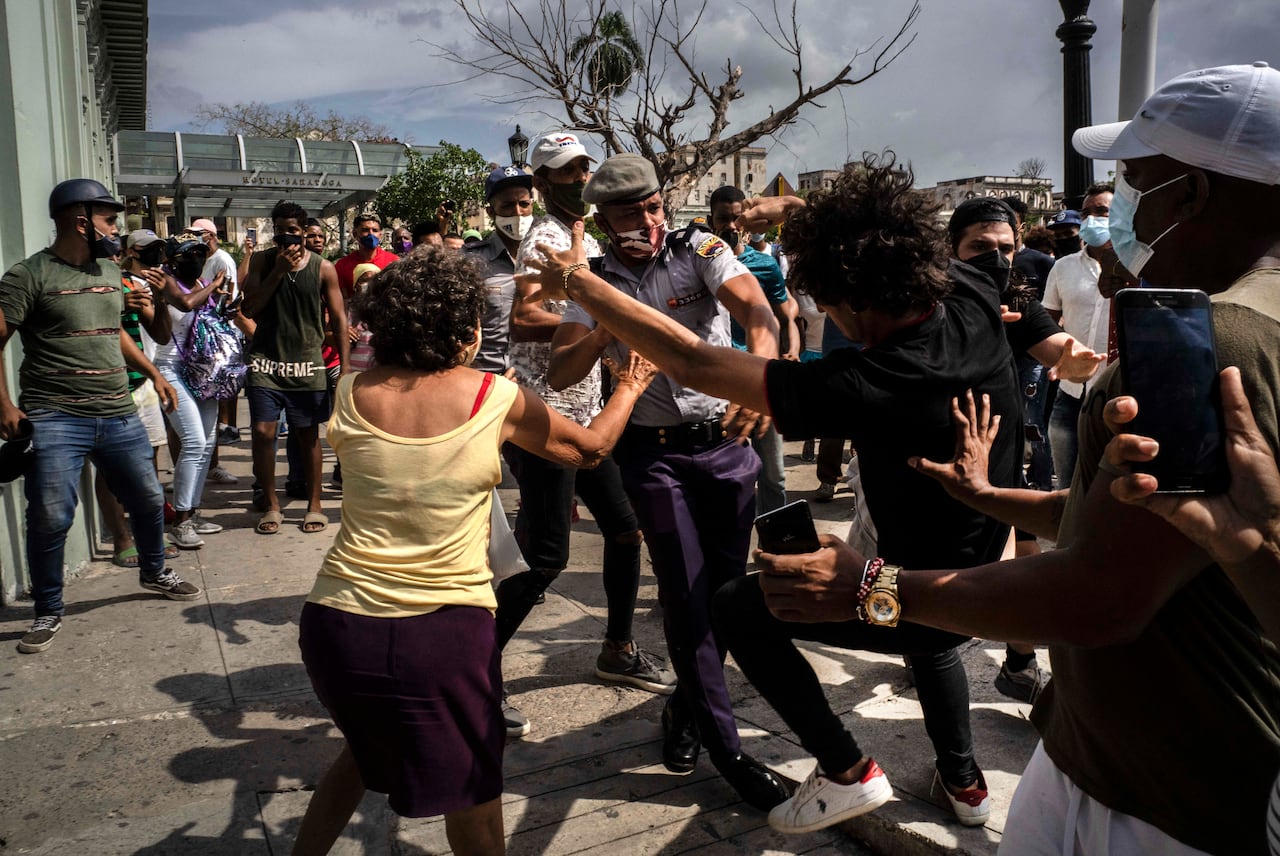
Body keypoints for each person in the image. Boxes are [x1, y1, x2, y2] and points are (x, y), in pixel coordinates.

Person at [758, 64, 1280, 855]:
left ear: (1193, 196)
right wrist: (991, 493)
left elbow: (1097, 595)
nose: (1120, 209)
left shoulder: (1211, 340)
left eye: (1136, 182)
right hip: (1103, 755)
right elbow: (1140, 530)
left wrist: (870, 588)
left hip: (1160, 794)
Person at [290, 247, 659, 856]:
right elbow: (589, 450)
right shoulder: (493, 396)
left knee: (362, 753)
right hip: (441, 633)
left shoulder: (350, 390)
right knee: (473, 792)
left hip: (337, 623)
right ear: (465, 330)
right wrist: (631, 385)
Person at [545, 152, 791, 811]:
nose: (649, 220)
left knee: (727, 594)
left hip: (726, 444)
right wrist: (604, 324)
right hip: (652, 457)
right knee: (685, 595)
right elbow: (562, 373)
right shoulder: (589, 275)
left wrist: (762, 380)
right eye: (632, 212)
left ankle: (686, 709)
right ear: (601, 219)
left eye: (655, 206)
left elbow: (761, 318)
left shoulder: (699, 248)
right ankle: (729, 751)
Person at [501, 136, 674, 739]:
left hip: (588, 410)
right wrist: (602, 318)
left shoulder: (591, 236)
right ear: (543, 182)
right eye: (566, 171)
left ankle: (618, 649)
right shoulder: (546, 237)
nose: (580, 176)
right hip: (545, 411)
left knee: (625, 531)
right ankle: (473, 671)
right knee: (546, 555)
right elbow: (523, 317)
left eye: (585, 166)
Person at [0, 179, 199, 654]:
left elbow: (115, 334)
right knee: (50, 516)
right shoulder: (28, 276)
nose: (117, 229)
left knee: (150, 500)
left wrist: (155, 373)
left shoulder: (110, 272)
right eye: (110, 220)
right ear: (81, 221)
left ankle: (154, 571)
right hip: (53, 417)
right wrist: (5, 405)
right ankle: (48, 608)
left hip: (117, 411)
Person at [241, 200, 348, 535]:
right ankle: (271, 503)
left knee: (307, 436)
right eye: (280, 230)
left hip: (306, 363)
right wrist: (278, 272)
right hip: (266, 362)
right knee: (263, 432)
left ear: (304, 232)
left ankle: (314, 504)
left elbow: (341, 320)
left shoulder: (323, 268)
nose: (286, 237)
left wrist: (344, 368)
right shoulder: (261, 261)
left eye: (293, 231)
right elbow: (251, 308)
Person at [710, 184, 799, 514]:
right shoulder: (695, 265)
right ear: (711, 220)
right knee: (728, 475)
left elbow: (783, 313)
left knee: (773, 476)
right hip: (719, 387)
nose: (732, 227)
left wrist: (790, 350)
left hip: (762, 382)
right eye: (723, 219)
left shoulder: (764, 265)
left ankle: (776, 551)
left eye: (738, 219)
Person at [94, 229, 180, 567]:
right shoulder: (98, 285)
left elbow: (160, 333)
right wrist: (113, 305)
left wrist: (159, 298)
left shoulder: (134, 286)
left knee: (147, 465)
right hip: (105, 389)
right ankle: (122, 538)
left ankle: (151, 532)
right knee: (109, 468)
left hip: (140, 385)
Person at [152, 233, 231, 549]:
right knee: (195, 440)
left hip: (201, 368)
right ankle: (181, 522)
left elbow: (206, 315)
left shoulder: (200, 283)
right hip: (171, 369)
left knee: (208, 441)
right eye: (189, 255)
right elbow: (184, 304)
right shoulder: (167, 281)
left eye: (200, 253)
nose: (196, 259)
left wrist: (223, 301)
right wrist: (215, 285)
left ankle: (192, 511)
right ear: (172, 259)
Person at [1043, 183, 1118, 487]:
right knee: (1068, 487)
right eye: (1086, 213)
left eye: (1102, 211)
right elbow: (1046, 321)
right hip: (1071, 395)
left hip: (1119, 394)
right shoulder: (1063, 268)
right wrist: (1057, 357)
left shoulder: (1141, 268)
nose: (1092, 219)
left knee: (1109, 488)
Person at [462, 165, 533, 375]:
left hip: (537, 381)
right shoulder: (468, 262)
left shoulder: (549, 256)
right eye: (508, 205)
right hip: (485, 379)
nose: (518, 213)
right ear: (491, 212)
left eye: (524, 204)